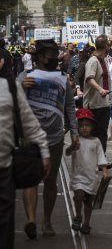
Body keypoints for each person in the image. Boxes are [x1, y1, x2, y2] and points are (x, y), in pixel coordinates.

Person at [18, 39, 79, 238]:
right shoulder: (25, 75)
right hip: (30, 137)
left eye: (56, 53)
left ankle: (47, 221)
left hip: (54, 138)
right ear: (40, 57)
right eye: (51, 54)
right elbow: (10, 99)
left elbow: (70, 105)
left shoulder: (62, 77)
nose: (55, 57)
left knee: (51, 180)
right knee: (30, 179)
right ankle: (31, 220)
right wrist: (19, 86)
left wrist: (75, 132)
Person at [0, 49, 50, 249]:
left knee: (4, 221)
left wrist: (44, 152)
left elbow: (29, 124)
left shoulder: (11, 88)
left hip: (3, 168)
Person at [65, 108, 108, 236]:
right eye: (81, 125)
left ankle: (87, 223)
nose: (84, 128)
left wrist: (104, 171)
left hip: (91, 178)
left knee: (88, 202)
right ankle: (78, 216)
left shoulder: (96, 142)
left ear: (92, 127)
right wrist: (72, 146)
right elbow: (67, 153)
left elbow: (101, 158)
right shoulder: (76, 139)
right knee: (78, 196)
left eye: (87, 125)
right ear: (77, 127)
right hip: (77, 176)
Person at [83, 35, 112, 160]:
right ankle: (94, 159)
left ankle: (101, 158)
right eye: (109, 45)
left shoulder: (103, 60)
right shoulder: (93, 61)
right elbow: (89, 79)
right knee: (95, 133)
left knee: (102, 133)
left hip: (104, 103)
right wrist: (100, 89)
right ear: (106, 46)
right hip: (94, 104)